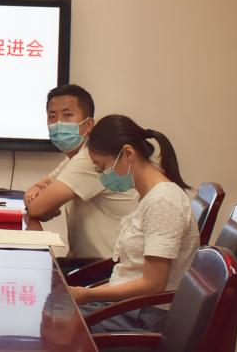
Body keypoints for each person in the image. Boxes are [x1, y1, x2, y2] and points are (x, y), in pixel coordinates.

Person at [66, 115, 199, 333]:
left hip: (145, 316)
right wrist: (87, 294)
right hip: (129, 308)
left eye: (102, 167)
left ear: (128, 153)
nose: (102, 176)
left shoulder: (163, 201)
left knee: (57, 324)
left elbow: (153, 285)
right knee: (56, 313)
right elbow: (130, 273)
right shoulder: (146, 196)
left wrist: (87, 294)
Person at [24, 85, 137, 271]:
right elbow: (40, 188)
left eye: (67, 115)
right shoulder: (76, 157)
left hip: (107, 269)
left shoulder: (90, 159)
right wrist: (37, 193)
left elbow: (36, 208)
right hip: (88, 263)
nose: (58, 123)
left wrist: (42, 202)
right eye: (52, 116)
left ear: (89, 124)